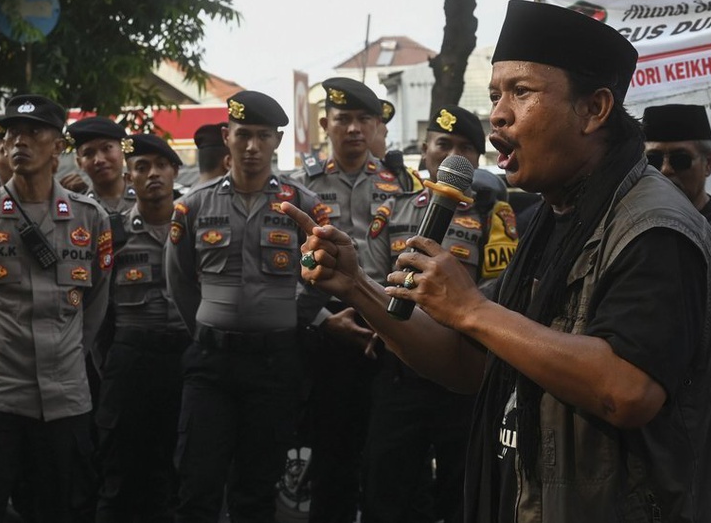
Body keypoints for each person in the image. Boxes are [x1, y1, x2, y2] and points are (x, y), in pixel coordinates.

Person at [283, 0, 711, 522]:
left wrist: (471, 310)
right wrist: (356, 286)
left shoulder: (654, 227)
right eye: (495, 95)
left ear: (595, 109)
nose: (499, 114)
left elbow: (626, 390)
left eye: (522, 92)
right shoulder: (556, 216)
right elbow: (469, 364)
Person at [0, 94, 113, 522]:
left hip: (65, 396)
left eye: (34, 132)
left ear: (58, 146)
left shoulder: (89, 218)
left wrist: (69, 350)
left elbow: (94, 302)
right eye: (13, 132)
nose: (20, 141)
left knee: (60, 508)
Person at [165, 90, 329, 523]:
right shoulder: (194, 205)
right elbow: (179, 278)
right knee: (197, 483)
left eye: (262, 136)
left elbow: (323, 274)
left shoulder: (303, 206)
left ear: (276, 141)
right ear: (227, 136)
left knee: (256, 489)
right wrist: (205, 324)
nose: (252, 147)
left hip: (274, 365)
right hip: (211, 363)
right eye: (243, 135)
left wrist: (294, 314)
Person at [360, 105, 517, 523]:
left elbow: (500, 287)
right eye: (444, 144)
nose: (454, 153)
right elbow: (373, 279)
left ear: (479, 160)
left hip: (461, 368)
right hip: (400, 369)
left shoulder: (492, 213)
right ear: (426, 150)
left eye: (467, 147)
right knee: (388, 488)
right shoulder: (391, 210)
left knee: (461, 491)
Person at [288, 77, 418, 523]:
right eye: (343, 119)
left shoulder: (401, 183)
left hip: (387, 331)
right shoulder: (300, 184)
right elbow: (285, 264)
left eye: (365, 119)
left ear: (377, 124)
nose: (354, 128)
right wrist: (325, 319)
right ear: (326, 124)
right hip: (326, 334)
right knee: (332, 459)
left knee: (388, 459)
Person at [95, 134, 189, 523]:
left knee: (182, 469)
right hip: (131, 359)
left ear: (174, 171)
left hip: (186, 358)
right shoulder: (113, 232)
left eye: (160, 166)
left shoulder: (194, 227)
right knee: (121, 467)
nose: (152, 174)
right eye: (142, 167)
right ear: (129, 176)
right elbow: (97, 308)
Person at [642, 104, 711, 222]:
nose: (665, 169)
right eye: (653, 160)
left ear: (708, 163)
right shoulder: (636, 228)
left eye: (680, 160)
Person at [61, 116, 137, 216]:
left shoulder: (146, 197)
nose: (99, 160)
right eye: (88, 153)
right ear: (79, 163)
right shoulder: (75, 206)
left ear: (122, 151)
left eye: (107, 148)